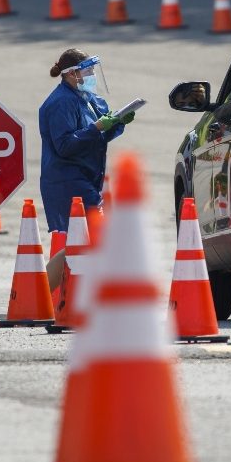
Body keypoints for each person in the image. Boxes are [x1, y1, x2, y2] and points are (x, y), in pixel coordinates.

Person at [39, 48, 134, 292]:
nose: (92, 74)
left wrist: (116, 123)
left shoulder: (88, 98)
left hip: (85, 177)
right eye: (87, 70)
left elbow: (97, 136)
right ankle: (39, 293)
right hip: (68, 180)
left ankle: (42, 294)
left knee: (84, 242)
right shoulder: (61, 102)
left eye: (92, 69)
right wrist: (97, 128)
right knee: (96, 237)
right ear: (72, 74)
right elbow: (65, 145)